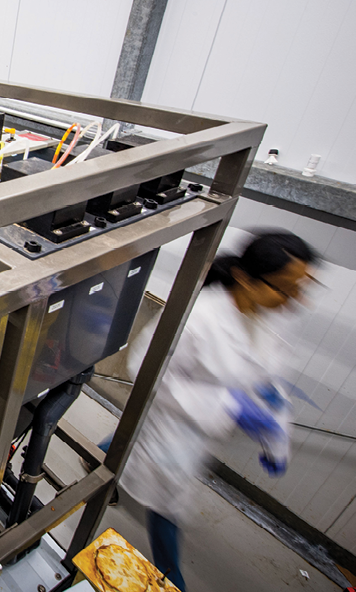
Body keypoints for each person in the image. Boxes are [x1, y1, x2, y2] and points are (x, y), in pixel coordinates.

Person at [119, 230, 318, 591]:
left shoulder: (271, 313)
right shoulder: (197, 316)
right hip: (173, 423)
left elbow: (266, 374)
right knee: (167, 497)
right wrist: (228, 405)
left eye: (299, 289)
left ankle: (106, 453)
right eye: (285, 289)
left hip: (202, 424)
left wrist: (275, 426)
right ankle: (171, 575)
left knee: (132, 451)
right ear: (245, 278)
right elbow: (144, 368)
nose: (295, 301)